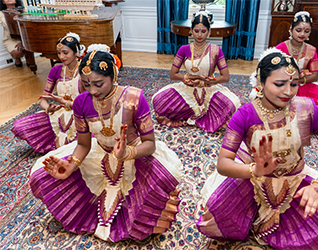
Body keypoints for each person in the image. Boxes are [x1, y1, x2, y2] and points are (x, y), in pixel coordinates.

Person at [196, 48, 318, 249]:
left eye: (293, 84)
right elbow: (223, 163)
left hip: (295, 182)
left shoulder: (306, 109)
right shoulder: (245, 114)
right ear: (261, 82)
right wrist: (255, 171)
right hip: (253, 180)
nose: (288, 92)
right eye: (279, 84)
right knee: (218, 218)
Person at [29, 44, 182, 242]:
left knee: (157, 191)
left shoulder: (135, 98)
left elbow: (150, 144)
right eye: (85, 84)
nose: (92, 91)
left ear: (113, 76)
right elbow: (83, 144)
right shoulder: (81, 103)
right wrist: (71, 165)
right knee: (41, 175)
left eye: (98, 84)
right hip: (99, 152)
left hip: (134, 153)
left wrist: (126, 153)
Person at [152, 12, 241, 133]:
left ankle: (197, 114)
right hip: (188, 88)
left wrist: (211, 80)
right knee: (157, 100)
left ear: (209, 32)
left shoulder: (216, 50)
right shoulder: (183, 49)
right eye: (196, 30)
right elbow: (173, 75)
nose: (199, 35)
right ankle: (198, 113)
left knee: (232, 105)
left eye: (203, 31)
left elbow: (225, 77)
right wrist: (189, 78)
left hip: (209, 88)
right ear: (191, 31)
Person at [11, 32, 85, 153]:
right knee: (20, 126)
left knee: (78, 146)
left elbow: (89, 101)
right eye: (59, 53)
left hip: (80, 113)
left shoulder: (84, 70)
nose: (61, 56)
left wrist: (67, 103)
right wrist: (48, 109)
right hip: (59, 113)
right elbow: (44, 99)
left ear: (76, 52)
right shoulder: (56, 70)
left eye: (65, 53)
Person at [276, 11, 318, 116]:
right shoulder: (280, 48)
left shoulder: (311, 50)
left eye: (306, 31)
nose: (302, 34)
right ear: (291, 30)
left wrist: (298, 79)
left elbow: (315, 76)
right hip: (282, 84)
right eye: (298, 30)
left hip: (301, 84)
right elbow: (273, 71)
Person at [0, 0, 24, 67]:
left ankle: (29, 60)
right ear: (3, 1)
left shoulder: (22, 10)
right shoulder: (1, 13)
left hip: (24, 37)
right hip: (10, 39)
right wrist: (14, 18)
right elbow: (6, 25)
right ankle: (17, 59)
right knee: (17, 53)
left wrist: (22, 41)